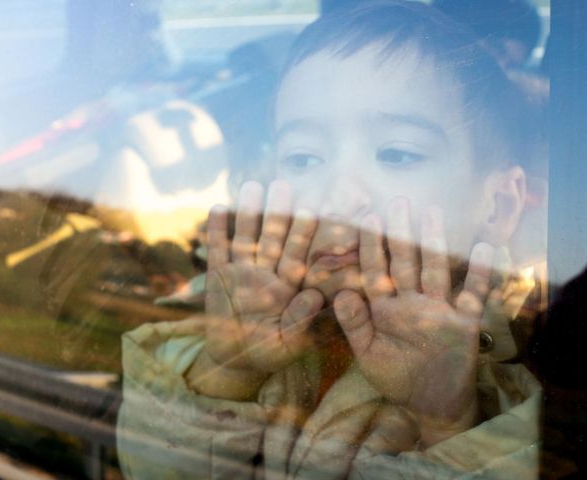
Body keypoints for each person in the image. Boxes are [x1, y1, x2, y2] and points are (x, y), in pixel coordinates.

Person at [116, 1, 543, 478]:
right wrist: (228, 370)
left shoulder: (531, 364)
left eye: (397, 153)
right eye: (303, 158)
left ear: (500, 206)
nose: (338, 198)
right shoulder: (249, 315)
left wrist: (446, 422)